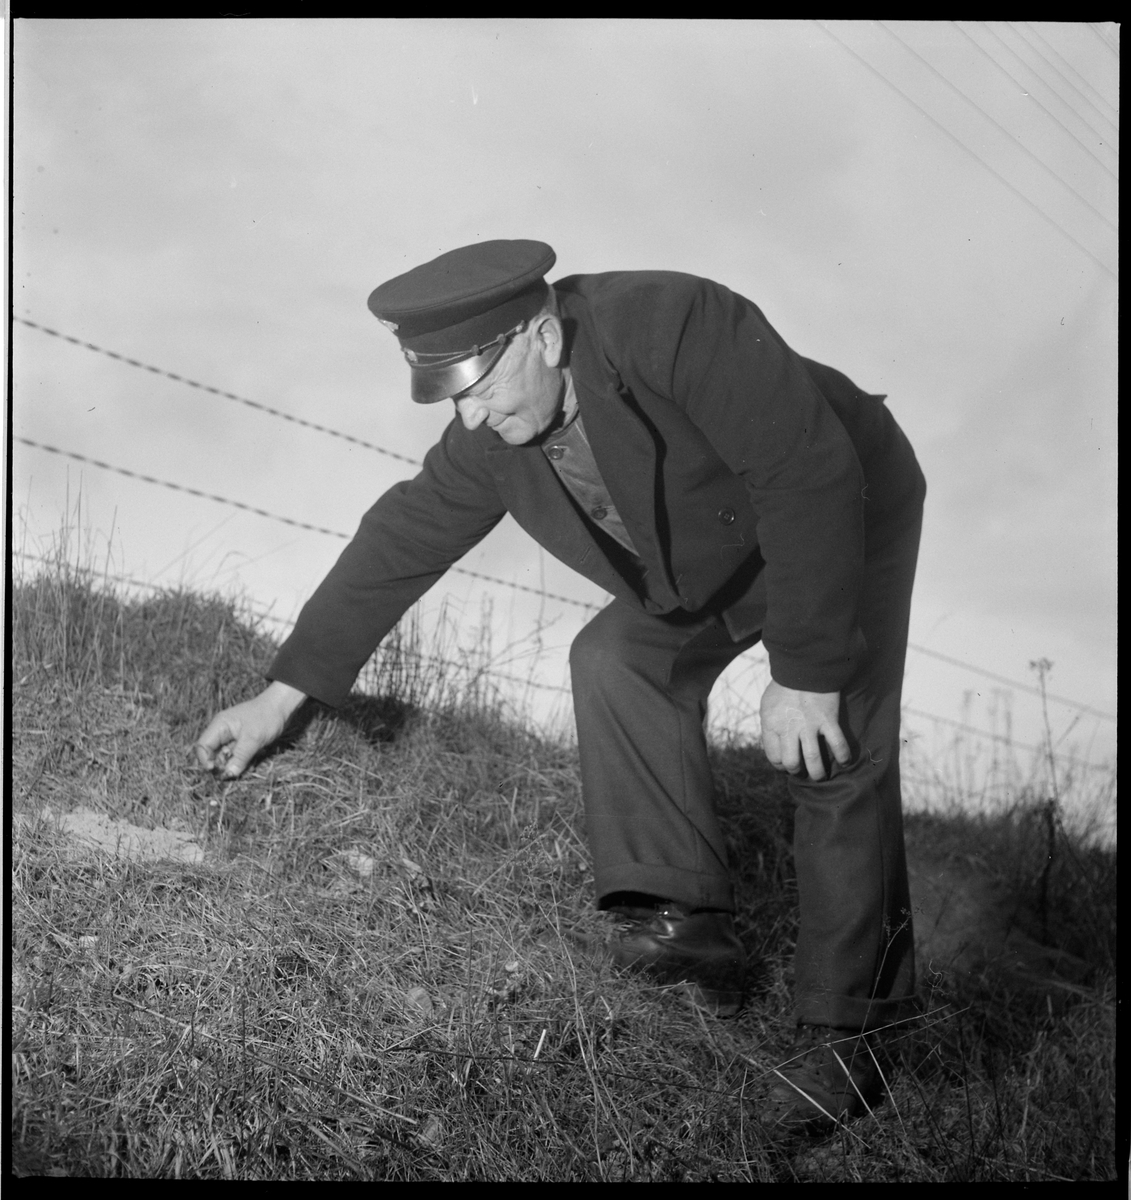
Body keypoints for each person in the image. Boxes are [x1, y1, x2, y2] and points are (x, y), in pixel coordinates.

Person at [195, 239, 926, 1137]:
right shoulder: (492, 436)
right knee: (615, 657)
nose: (469, 416)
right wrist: (279, 700)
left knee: (833, 744)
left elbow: (806, 475)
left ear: (543, 337)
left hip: (842, 501)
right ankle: (683, 925)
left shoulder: (675, 322)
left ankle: (849, 1032)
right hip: (715, 547)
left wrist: (807, 673)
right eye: (450, 398)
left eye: (478, 386)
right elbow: (400, 540)